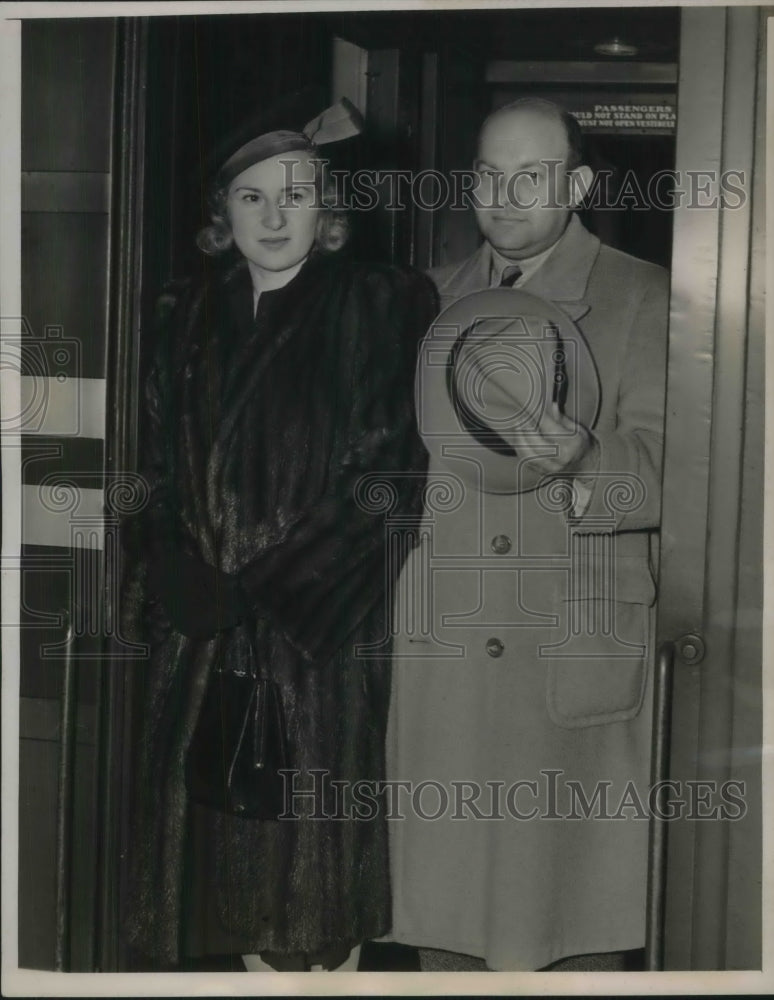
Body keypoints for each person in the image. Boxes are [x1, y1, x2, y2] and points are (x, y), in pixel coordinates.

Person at [120, 100, 437, 972]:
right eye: (250, 197)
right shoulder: (179, 312)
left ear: (327, 207)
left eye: (293, 195)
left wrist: (262, 590)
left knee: (311, 919)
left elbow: (390, 477)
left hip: (314, 654)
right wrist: (164, 560)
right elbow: (145, 467)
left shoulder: (383, 302)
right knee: (206, 911)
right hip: (195, 651)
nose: (271, 216)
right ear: (222, 214)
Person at [387, 97, 669, 971]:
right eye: (488, 175)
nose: (504, 197)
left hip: (569, 650)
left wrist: (586, 457)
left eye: (532, 177)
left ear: (577, 184)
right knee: (449, 932)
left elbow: (684, 474)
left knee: (569, 933)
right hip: (450, 663)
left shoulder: (646, 297)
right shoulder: (424, 299)